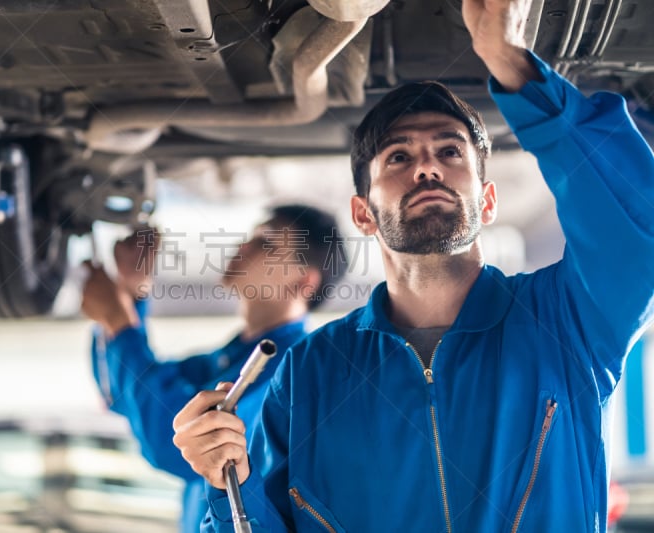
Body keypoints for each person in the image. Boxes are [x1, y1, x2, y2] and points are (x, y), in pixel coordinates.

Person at [171, 0, 654, 531]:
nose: (427, 167)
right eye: (398, 157)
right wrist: (224, 484)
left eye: (451, 152)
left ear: (487, 201)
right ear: (363, 213)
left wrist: (512, 65)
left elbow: (637, 230)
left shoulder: (567, 323)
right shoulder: (310, 372)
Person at [80, 204, 347, 533]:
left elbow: (173, 443)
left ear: (304, 281)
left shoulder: (291, 373)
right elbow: (124, 396)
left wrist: (120, 323)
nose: (244, 246)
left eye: (266, 243)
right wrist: (132, 293)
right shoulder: (231, 358)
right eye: (252, 237)